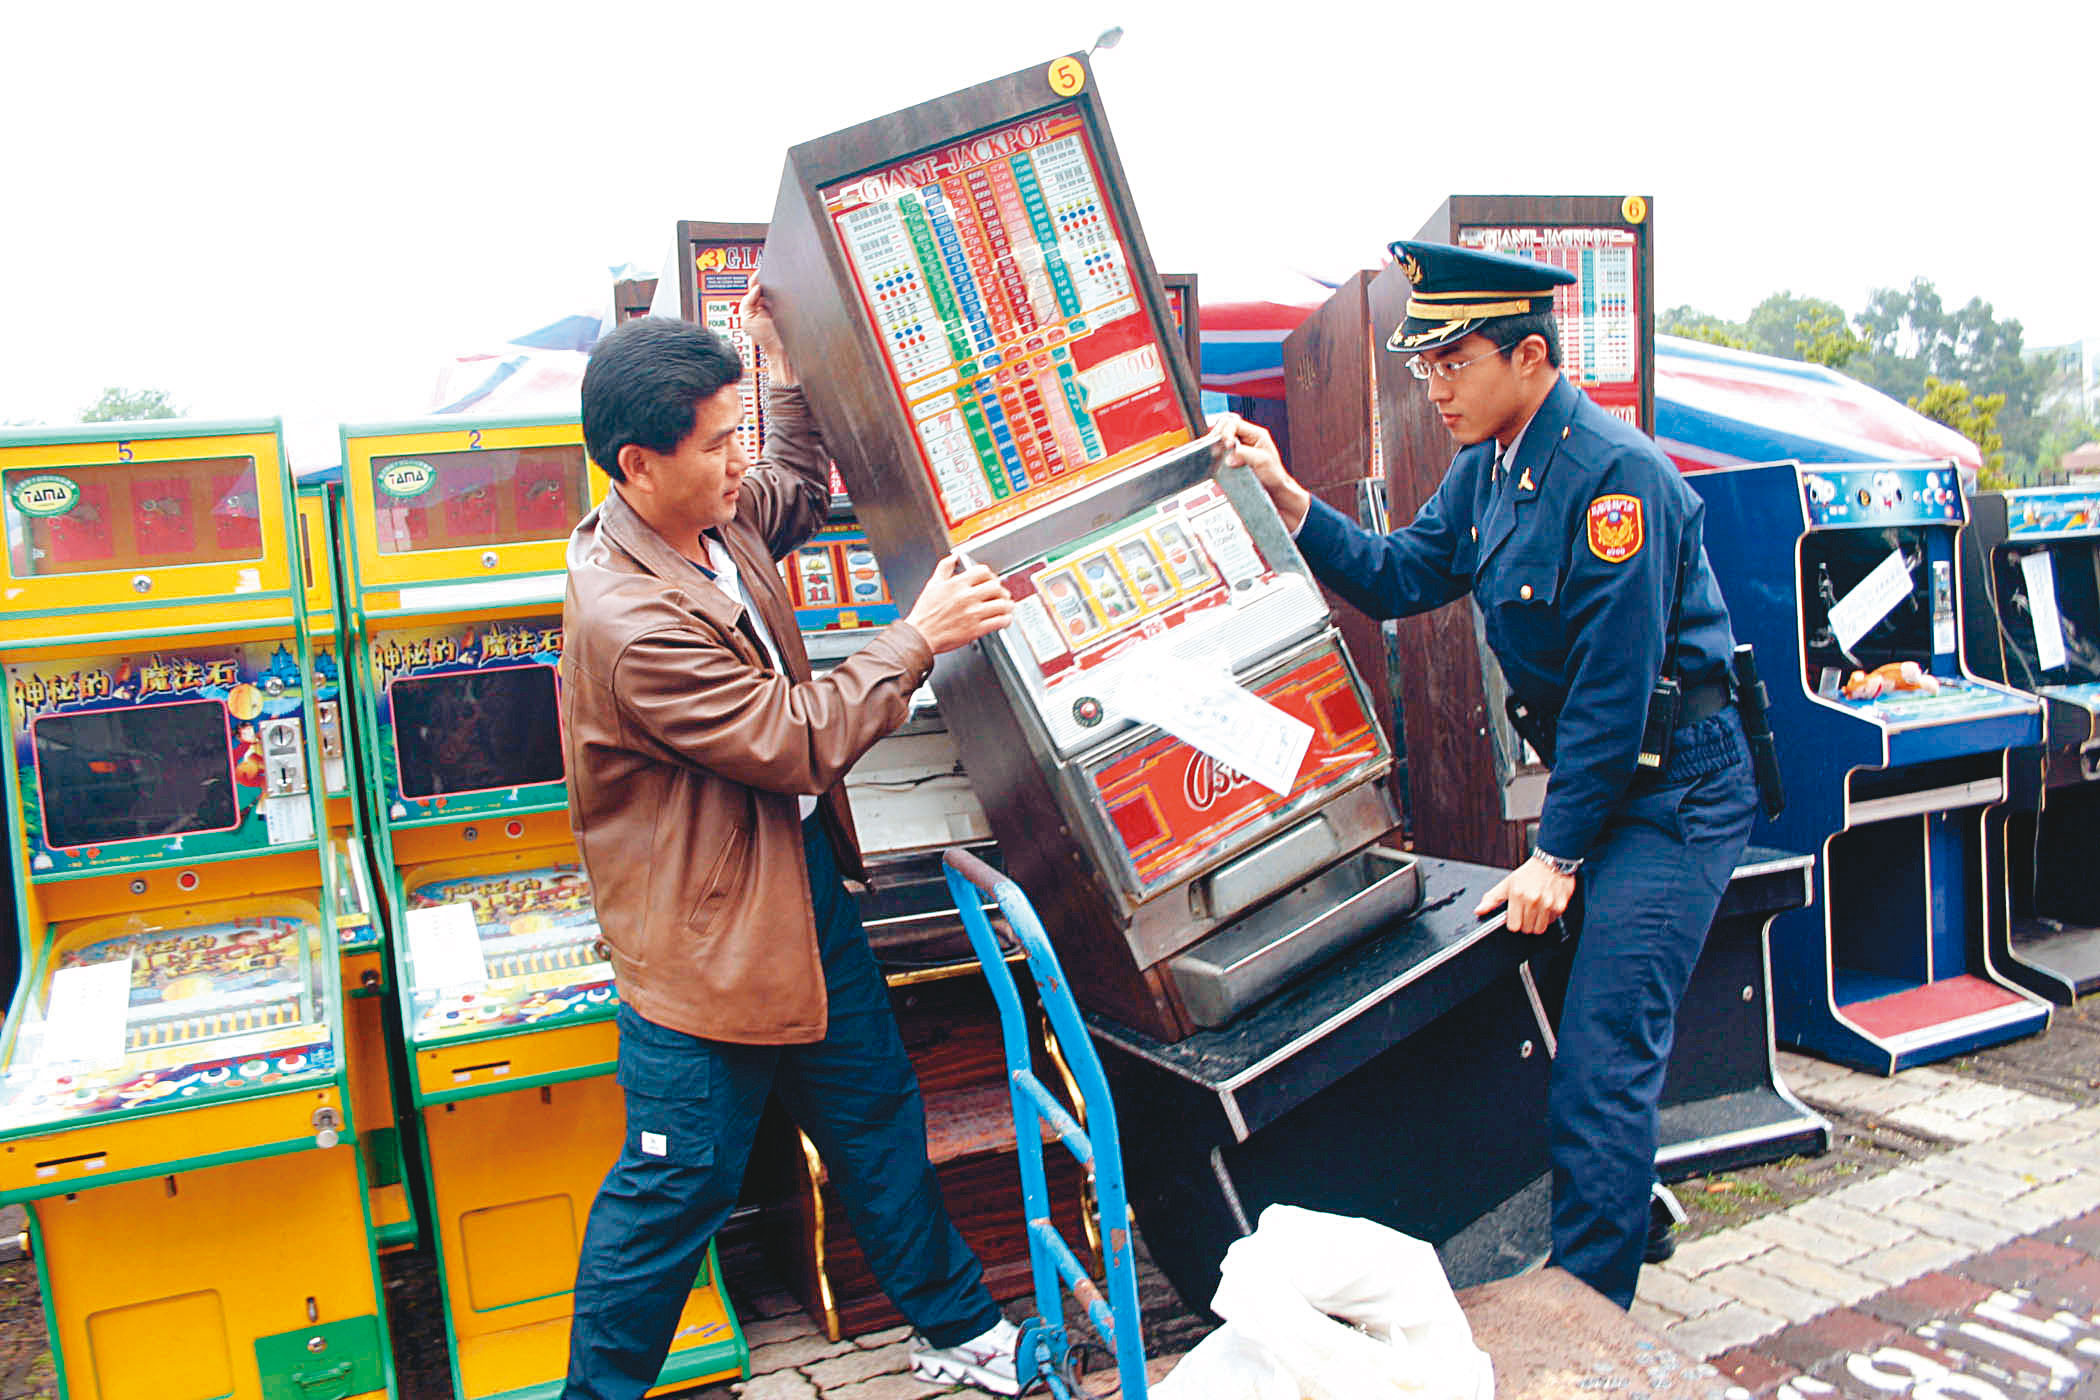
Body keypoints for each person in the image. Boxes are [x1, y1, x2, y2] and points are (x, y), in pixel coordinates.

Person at [1223, 240, 1758, 1309]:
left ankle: (1591, 1325)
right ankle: (1623, 1198)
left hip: (1676, 792)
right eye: (1425, 369)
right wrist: (1288, 498)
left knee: (1602, 1062)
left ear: (1529, 354)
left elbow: (1614, 690)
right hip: (1608, 782)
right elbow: (1404, 571)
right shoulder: (1495, 462)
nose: (1436, 390)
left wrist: (1556, 852)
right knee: (1566, 1021)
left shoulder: (1617, 480)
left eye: (1453, 364)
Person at [558, 283, 1022, 1398]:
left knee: (872, 1113)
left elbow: (793, 484)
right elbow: (790, 740)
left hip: (795, 887)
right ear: (637, 463)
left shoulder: (708, 522)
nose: (735, 463)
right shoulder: (629, 618)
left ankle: (958, 1327)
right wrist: (917, 638)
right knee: (675, 1188)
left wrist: (778, 369)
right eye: (716, 443)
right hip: (704, 942)